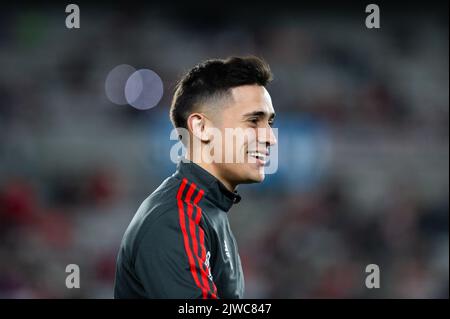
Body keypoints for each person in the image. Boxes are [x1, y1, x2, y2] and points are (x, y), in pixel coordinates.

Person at [114, 56, 277, 299]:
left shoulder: (208, 210)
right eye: (253, 121)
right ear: (201, 128)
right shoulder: (177, 217)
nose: (270, 138)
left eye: (269, 122)